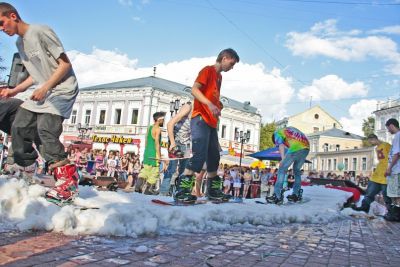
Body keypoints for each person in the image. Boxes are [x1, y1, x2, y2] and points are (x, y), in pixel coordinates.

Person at [0, 3, 79, 203]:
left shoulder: (41, 31)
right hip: (43, 90)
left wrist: (46, 87)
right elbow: (35, 76)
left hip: (62, 88)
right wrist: (14, 90)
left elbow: (65, 64)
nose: (2, 29)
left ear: (13, 16)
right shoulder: (20, 44)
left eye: (2, 23)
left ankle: (68, 183)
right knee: (19, 125)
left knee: (46, 129)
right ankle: (26, 169)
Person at [173, 48, 240, 203]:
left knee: (214, 157)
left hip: (211, 121)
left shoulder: (219, 77)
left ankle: (213, 191)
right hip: (200, 118)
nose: (232, 67)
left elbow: (212, 96)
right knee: (199, 154)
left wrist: (217, 105)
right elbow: (195, 90)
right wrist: (209, 104)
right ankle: (181, 191)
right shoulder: (208, 70)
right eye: (232, 63)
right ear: (225, 58)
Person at [267, 127, 310, 204]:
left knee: (281, 169)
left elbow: (281, 146)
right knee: (296, 170)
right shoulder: (288, 131)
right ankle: (296, 194)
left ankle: (277, 196)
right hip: (306, 147)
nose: (286, 145)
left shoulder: (277, 133)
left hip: (297, 147)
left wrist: (283, 159)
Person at [352, 134, 392, 213]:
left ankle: (390, 212)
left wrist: (390, 168)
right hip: (377, 174)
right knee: (370, 192)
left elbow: (395, 156)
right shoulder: (377, 148)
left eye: (371, 141)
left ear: (374, 139)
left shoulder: (387, 145)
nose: (370, 143)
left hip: (386, 174)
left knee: (386, 195)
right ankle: (364, 207)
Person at [159, 102, 192, 196]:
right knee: (172, 168)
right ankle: (163, 192)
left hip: (187, 144)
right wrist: (172, 143)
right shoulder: (188, 107)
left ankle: (180, 193)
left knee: (184, 170)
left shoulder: (200, 115)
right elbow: (169, 124)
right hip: (175, 141)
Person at [136, 111, 165, 194]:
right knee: (154, 173)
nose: (163, 121)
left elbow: (146, 141)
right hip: (154, 154)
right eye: (163, 119)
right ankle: (148, 190)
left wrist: (146, 152)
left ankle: (137, 187)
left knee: (145, 171)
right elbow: (157, 144)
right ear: (159, 120)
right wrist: (159, 156)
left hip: (147, 153)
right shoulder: (158, 129)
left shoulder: (149, 127)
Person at [384, 118, 400, 221]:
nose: (388, 131)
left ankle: (397, 216)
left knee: (396, 194)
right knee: (393, 194)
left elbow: (397, 154)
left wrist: (389, 168)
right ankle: (395, 214)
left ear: (391, 125)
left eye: (388, 128)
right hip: (395, 170)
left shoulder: (398, 136)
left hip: (396, 170)